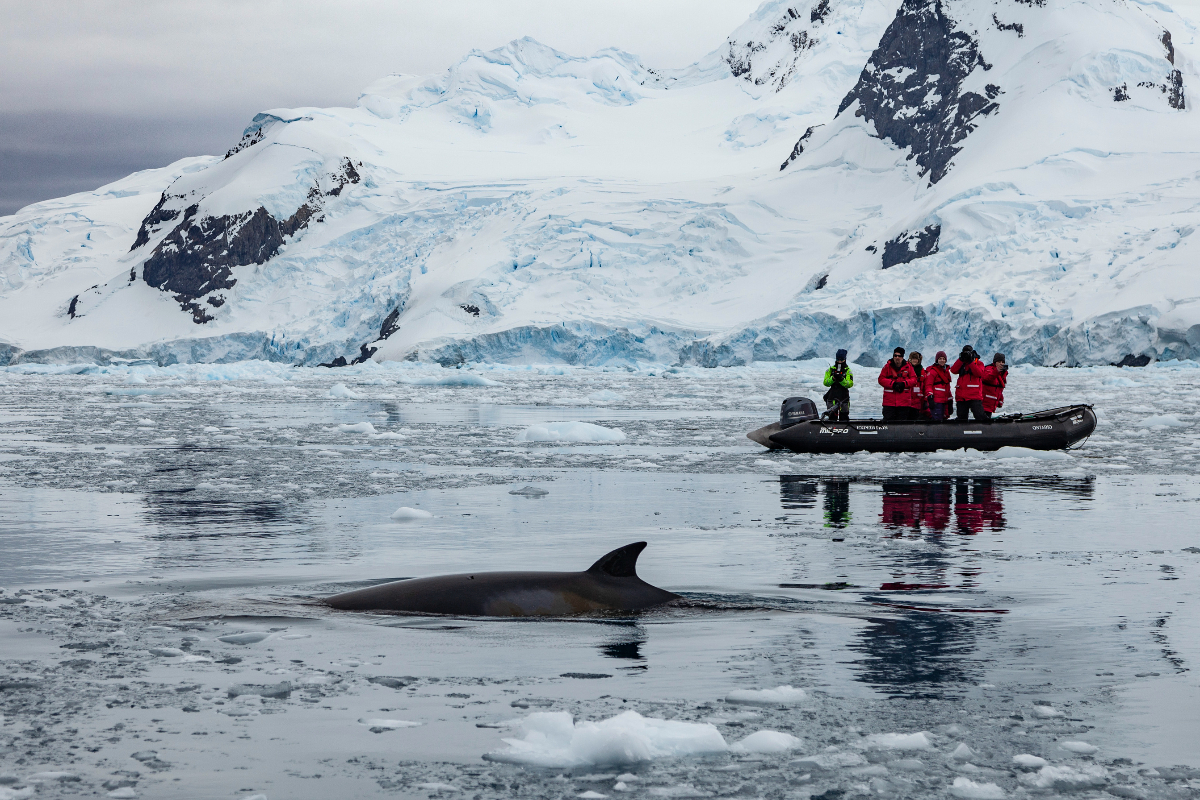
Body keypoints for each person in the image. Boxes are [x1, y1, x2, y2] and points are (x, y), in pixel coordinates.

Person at [878, 346, 918, 421]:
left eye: (899, 356)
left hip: (904, 403)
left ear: (902, 357)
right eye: (895, 355)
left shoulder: (908, 367)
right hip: (889, 403)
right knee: (888, 423)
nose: (897, 357)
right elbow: (881, 379)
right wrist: (892, 384)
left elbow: (914, 380)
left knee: (902, 424)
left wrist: (904, 384)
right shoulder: (887, 367)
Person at [950, 345, 988, 421]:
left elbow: (979, 373)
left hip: (974, 396)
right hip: (961, 397)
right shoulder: (961, 363)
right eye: (964, 353)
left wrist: (971, 362)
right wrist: (960, 359)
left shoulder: (978, 363)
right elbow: (953, 370)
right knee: (961, 419)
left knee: (980, 416)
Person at [822, 349, 854, 421]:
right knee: (832, 417)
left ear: (845, 359)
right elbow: (825, 382)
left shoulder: (848, 371)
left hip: (844, 396)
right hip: (832, 396)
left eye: (841, 360)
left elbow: (850, 384)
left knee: (844, 417)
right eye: (838, 359)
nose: (839, 361)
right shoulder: (830, 370)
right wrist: (833, 378)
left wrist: (841, 379)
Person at [923, 351, 953, 421]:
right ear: (937, 360)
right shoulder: (932, 371)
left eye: (943, 359)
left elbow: (947, 388)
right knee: (937, 420)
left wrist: (950, 400)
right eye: (940, 359)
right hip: (936, 401)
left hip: (944, 401)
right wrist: (930, 396)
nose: (942, 360)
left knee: (944, 419)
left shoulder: (946, 372)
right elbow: (928, 385)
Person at [907, 351, 926, 417]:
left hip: (918, 401)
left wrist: (925, 400)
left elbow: (925, 386)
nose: (914, 360)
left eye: (916, 359)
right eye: (913, 359)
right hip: (907, 401)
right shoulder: (906, 369)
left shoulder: (922, 371)